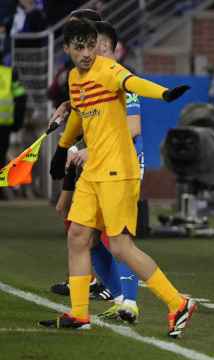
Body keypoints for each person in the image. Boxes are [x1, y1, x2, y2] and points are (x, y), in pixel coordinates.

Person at [39, 18, 196, 338]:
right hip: (93, 171)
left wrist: (164, 94)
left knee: (121, 246)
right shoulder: (73, 77)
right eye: (79, 47)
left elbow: (133, 83)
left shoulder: (109, 70)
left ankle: (177, 302)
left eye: (90, 45)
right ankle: (80, 314)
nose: (87, 52)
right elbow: (80, 115)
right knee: (77, 236)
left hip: (117, 171)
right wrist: (63, 148)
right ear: (67, 48)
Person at [51, 19, 146, 324]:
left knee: (116, 238)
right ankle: (117, 297)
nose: (94, 51)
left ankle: (131, 301)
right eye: (90, 45)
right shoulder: (88, 79)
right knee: (85, 236)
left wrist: (89, 149)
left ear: (114, 49)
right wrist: (69, 105)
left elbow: (132, 128)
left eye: (100, 45)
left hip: (123, 162)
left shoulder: (122, 79)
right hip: (101, 163)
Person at [0, 63, 26, 200]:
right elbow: (21, 96)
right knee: (1, 156)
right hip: (4, 125)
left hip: (4, 125)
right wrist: (18, 121)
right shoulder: (9, 73)